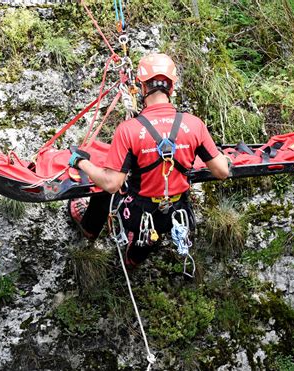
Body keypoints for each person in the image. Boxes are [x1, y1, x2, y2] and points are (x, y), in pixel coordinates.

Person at [68, 53, 230, 267]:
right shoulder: (194, 124)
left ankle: (89, 228)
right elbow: (221, 171)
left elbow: (111, 183)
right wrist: (223, 157)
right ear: (171, 88)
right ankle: (133, 259)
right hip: (175, 213)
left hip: (138, 214)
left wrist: (81, 162)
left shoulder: (129, 130)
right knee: (150, 232)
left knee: (102, 191)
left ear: (142, 88)